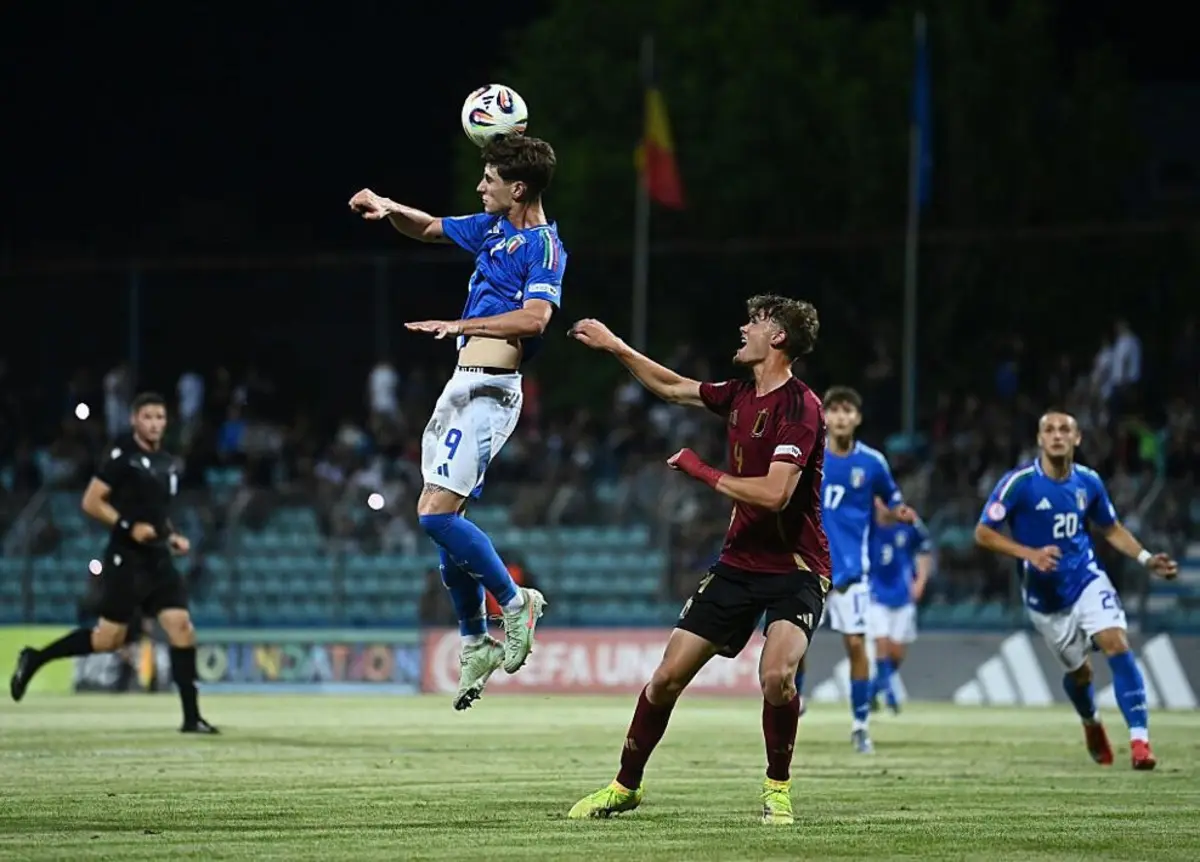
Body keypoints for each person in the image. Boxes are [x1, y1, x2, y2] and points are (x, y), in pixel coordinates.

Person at [567, 295, 830, 824]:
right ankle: (625, 786)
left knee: (777, 676)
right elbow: (671, 386)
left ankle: (777, 789)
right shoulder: (738, 394)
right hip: (738, 564)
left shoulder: (801, 407)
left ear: (778, 338)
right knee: (666, 678)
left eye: (755, 322)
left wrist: (701, 471)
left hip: (796, 569)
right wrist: (616, 346)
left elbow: (776, 494)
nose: (744, 328)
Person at [349, 135, 562, 710]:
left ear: (518, 188)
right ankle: (474, 641)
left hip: (492, 391)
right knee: (446, 516)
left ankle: (514, 603)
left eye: (489, 179)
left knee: (434, 515)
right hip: (462, 384)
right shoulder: (492, 228)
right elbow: (428, 228)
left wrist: (461, 324)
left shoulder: (543, 246)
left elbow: (536, 319)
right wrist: (389, 207)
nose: (479, 186)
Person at [974, 410, 1178, 770]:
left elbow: (1111, 528)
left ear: (1077, 438)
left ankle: (1140, 743)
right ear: (1040, 439)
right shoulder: (1019, 483)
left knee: (1117, 642)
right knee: (1081, 675)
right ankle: (1091, 722)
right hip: (1046, 601)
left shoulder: (1089, 482)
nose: (1057, 436)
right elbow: (983, 533)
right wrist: (1029, 554)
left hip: (1086, 578)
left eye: (1064, 430)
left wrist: (1146, 558)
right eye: (1049, 430)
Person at [10, 392, 217, 733]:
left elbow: (155, 512)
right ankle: (36, 657)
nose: (154, 423)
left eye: (160, 417)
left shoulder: (167, 462)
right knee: (109, 639)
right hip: (127, 559)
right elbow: (91, 502)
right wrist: (128, 527)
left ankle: (191, 718)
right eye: (147, 417)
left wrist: (171, 535)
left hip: (158, 558)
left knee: (181, 627)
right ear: (135, 420)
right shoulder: (122, 457)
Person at [794, 387, 915, 753]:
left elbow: (892, 498)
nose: (841, 417)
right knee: (793, 643)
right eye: (834, 410)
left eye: (848, 410)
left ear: (857, 418)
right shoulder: (809, 455)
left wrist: (899, 511)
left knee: (857, 644)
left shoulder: (872, 463)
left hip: (851, 573)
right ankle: (794, 701)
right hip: (809, 567)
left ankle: (860, 725)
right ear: (825, 417)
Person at [867, 499, 933, 714]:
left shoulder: (909, 527)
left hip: (903, 596)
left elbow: (925, 549)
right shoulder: (867, 526)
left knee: (896, 654)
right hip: (874, 595)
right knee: (882, 643)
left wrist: (920, 581)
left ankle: (872, 691)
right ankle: (890, 696)